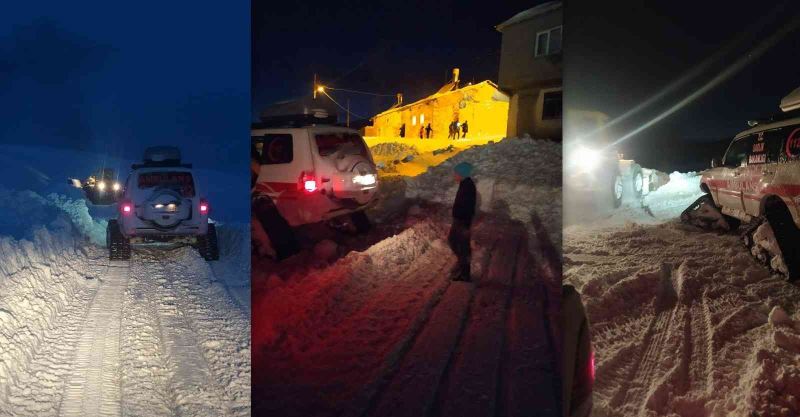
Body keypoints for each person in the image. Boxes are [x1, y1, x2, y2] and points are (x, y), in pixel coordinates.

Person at [251, 142, 300, 260]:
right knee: (275, 226)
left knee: (273, 226)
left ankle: (283, 252)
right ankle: (287, 251)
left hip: (259, 198)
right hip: (260, 197)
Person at [448, 161, 476, 281]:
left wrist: (462, 221)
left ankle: (464, 272)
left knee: (461, 245)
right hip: (460, 220)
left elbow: (467, 206)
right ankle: (463, 266)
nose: (454, 174)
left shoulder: (468, 186)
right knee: (455, 242)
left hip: (462, 221)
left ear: (462, 173)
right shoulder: (465, 184)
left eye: (456, 172)